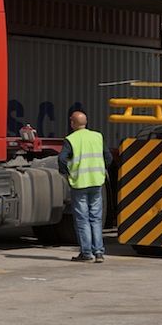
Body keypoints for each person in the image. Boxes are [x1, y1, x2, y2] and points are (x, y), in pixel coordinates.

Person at [58, 109, 108, 263]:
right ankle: (99, 252)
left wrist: (68, 173)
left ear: (72, 123)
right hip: (96, 182)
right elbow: (108, 157)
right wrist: (100, 170)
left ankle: (86, 253)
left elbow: (62, 159)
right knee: (96, 218)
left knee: (82, 219)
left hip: (80, 183)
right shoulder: (97, 136)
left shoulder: (71, 139)